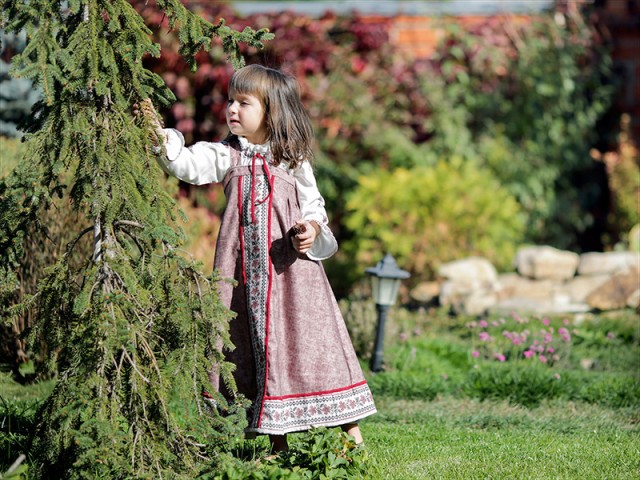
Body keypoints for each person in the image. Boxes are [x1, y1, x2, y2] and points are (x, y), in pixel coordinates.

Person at [145, 64, 376, 453]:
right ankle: (275, 441)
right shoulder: (224, 155)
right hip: (242, 275)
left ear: (271, 112)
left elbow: (313, 204)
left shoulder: (292, 158)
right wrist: (159, 136)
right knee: (251, 344)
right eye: (230, 101)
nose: (232, 109)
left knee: (310, 342)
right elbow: (184, 162)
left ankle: (349, 432)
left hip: (291, 275)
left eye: (244, 103)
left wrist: (311, 229)